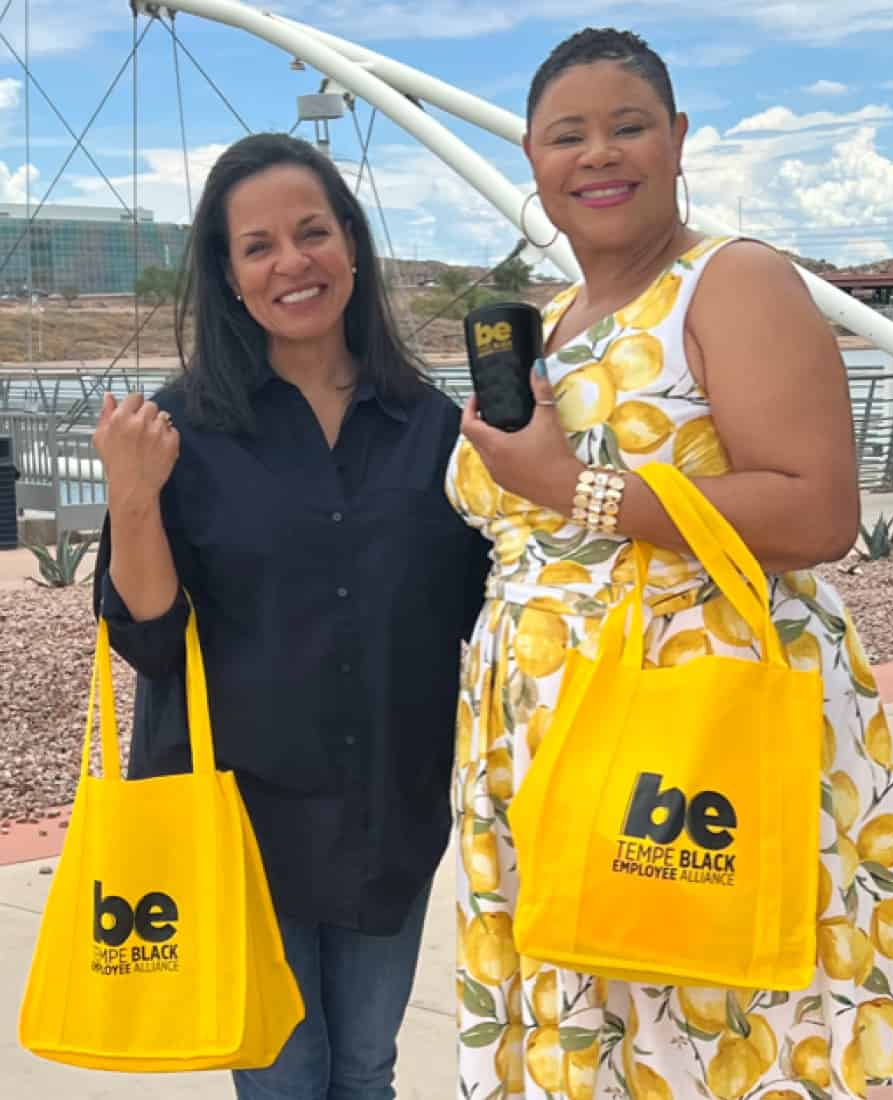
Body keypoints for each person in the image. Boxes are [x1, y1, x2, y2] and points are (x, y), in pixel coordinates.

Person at [446, 28, 893, 1100]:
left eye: (628, 127)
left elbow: (817, 509)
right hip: (546, 742)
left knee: (711, 1035)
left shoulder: (730, 281)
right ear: (534, 167)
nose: (599, 154)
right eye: (567, 137)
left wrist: (572, 487)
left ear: (679, 141)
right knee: (599, 1045)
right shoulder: (544, 323)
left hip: (691, 734)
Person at [91, 132, 490, 1100]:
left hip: (387, 809)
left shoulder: (436, 428)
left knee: (366, 1067)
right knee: (281, 1080)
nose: (291, 262)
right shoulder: (180, 428)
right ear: (228, 277)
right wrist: (133, 499)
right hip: (240, 822)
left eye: (312, 231)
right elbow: (147, 636)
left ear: (351, 245)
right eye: (258, 245)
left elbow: (487, 605)